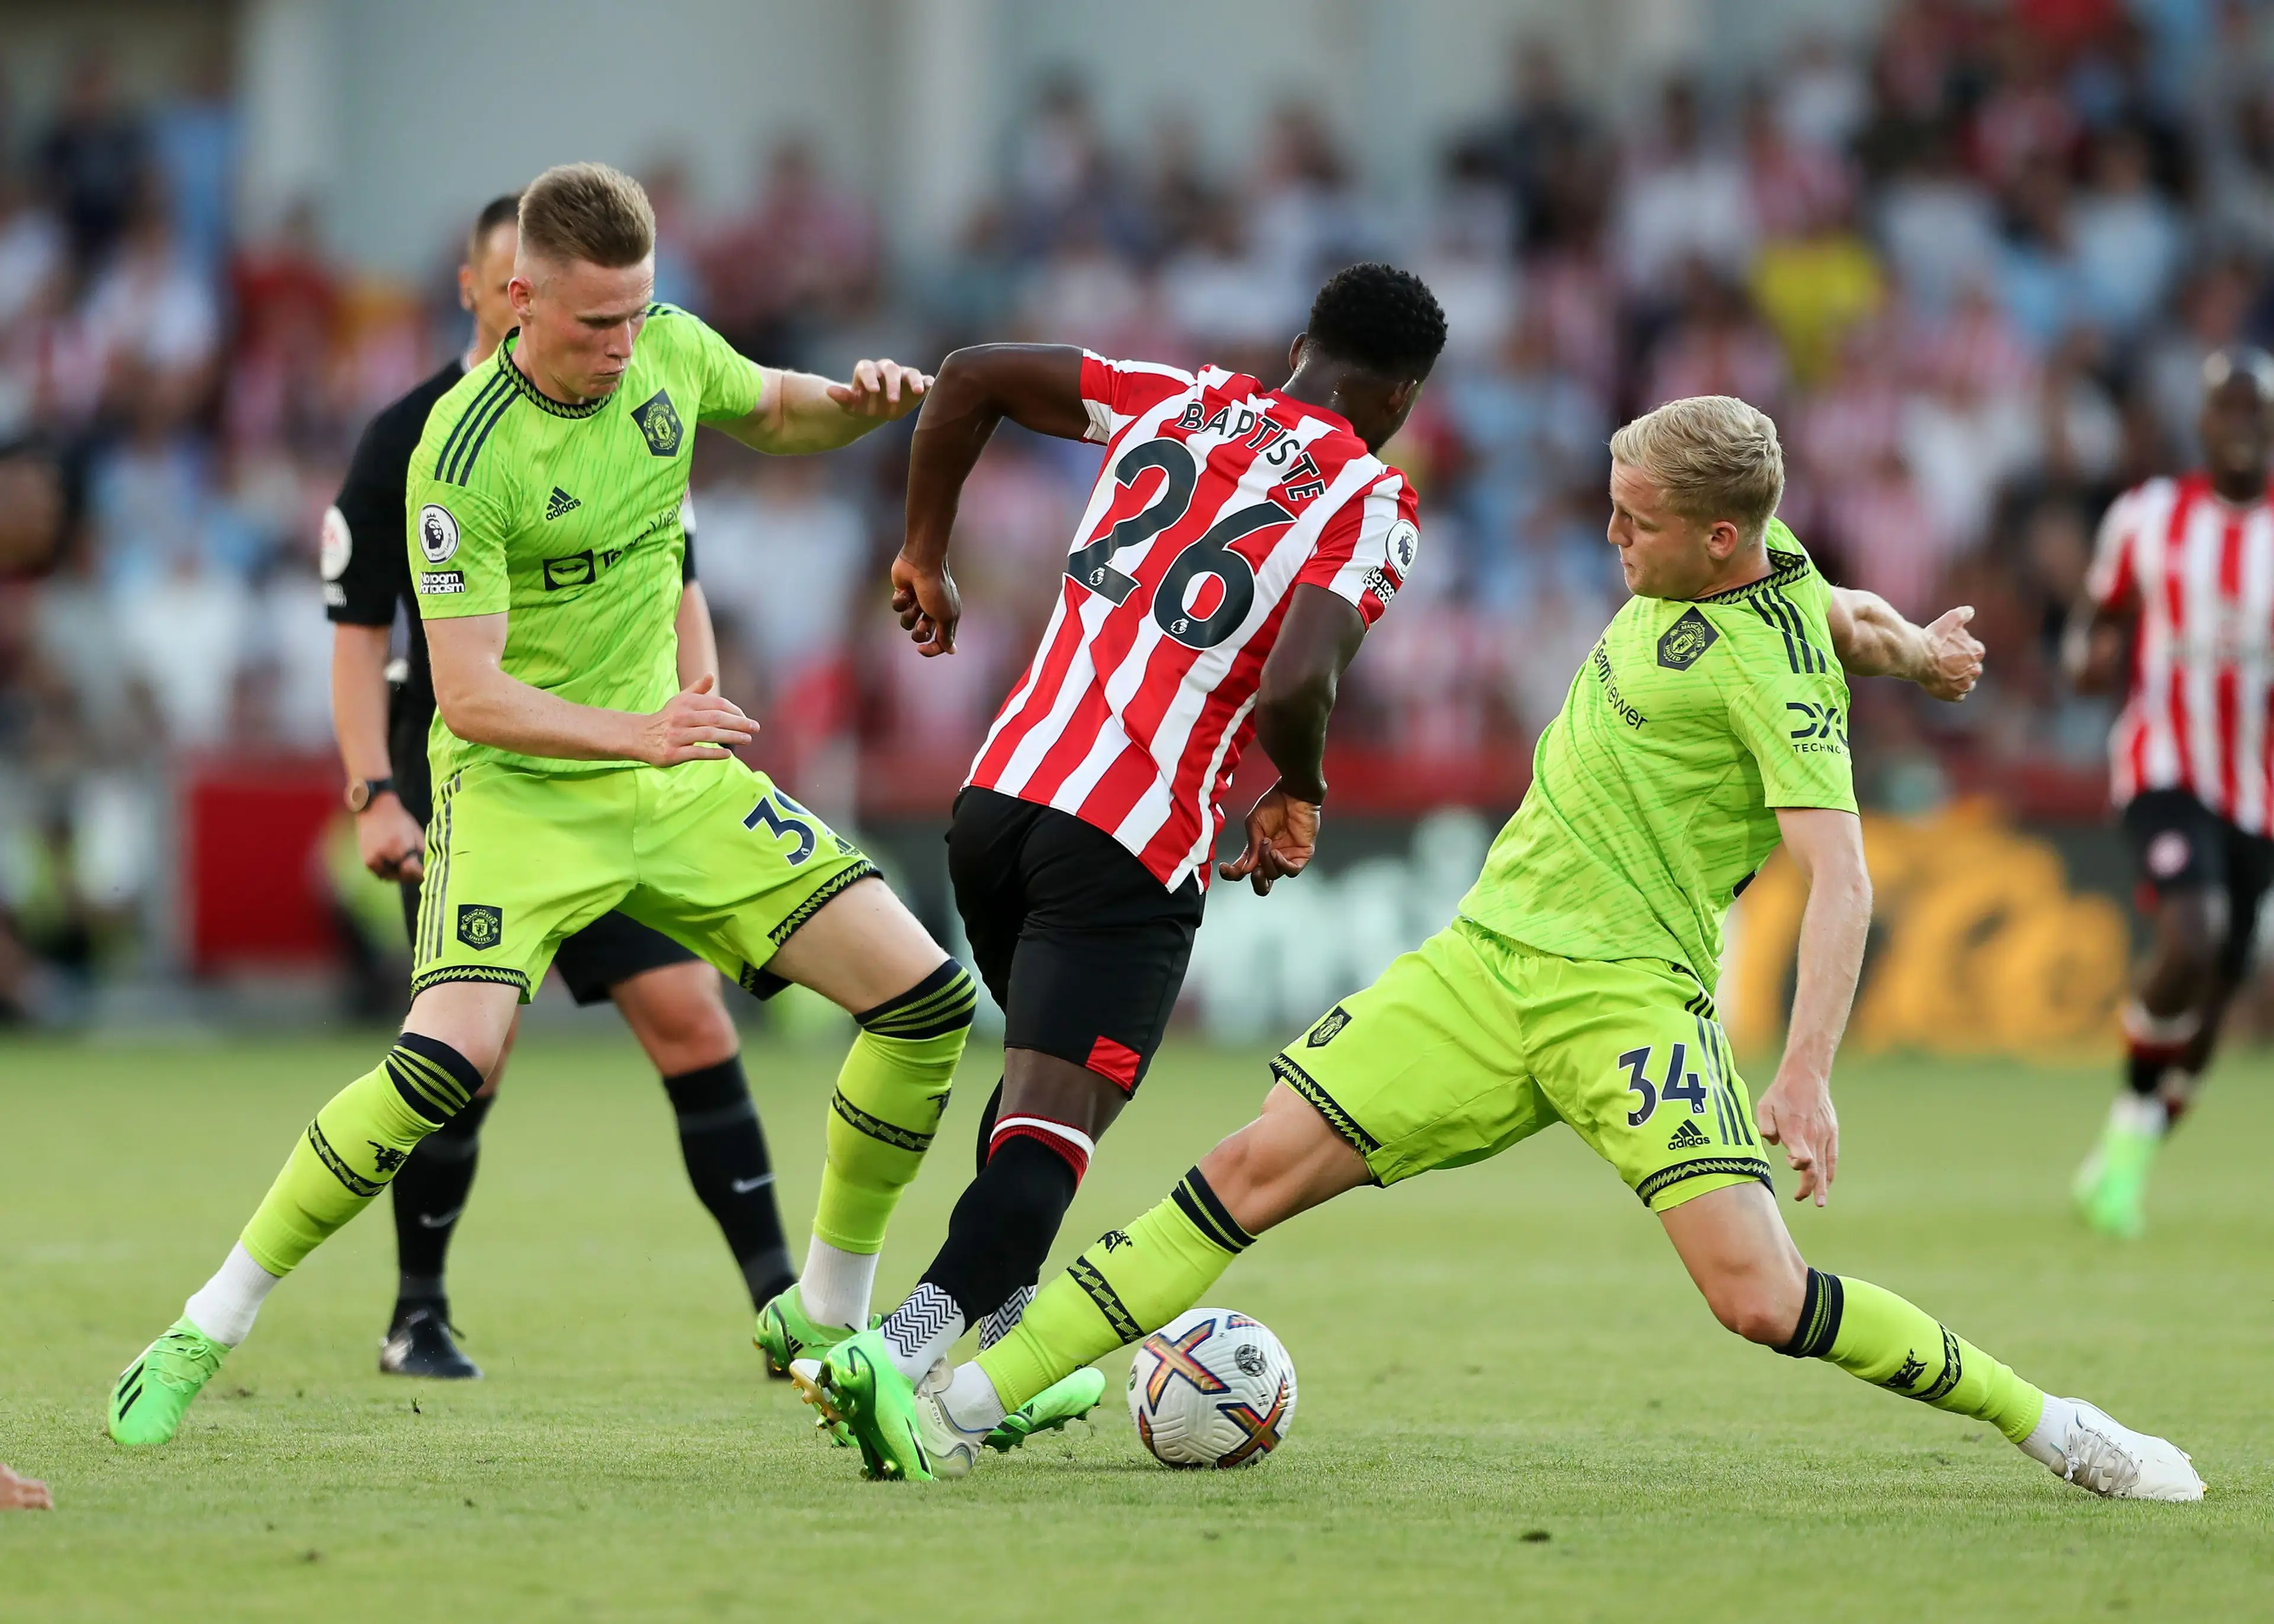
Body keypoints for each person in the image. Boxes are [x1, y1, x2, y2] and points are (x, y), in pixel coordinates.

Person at [807, 394, 2205, 1501]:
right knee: (1244, 1170)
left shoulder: (1767, 673)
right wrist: (1912, 652)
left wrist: (1807, 1075)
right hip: (1480, 969)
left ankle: (2059, 1427)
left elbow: (1840, 880)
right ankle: (954, 1413)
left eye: (1634, 524)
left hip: (1626, 1009)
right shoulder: (1758, 560)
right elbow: (1837, 607)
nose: (1612, 542)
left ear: (1718, 542)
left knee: (1761, 1299)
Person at [107, 163, 971, 1446]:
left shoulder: (669, 349)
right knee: (443, 1065)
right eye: (593, 324)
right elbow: (468, 696)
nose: (623, 347)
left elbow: (781, 412)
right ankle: (205, 1325)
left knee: (925, 999)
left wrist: (863, 405)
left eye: (637, 314)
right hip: (519, 792)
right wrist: (644, 730)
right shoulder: (455, 455)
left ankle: (825, 1320)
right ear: (517, 297)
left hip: (672, 778)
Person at [777, 262, 1446, 1465]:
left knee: (1028, 1101)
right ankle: (901, 1355)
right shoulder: (1369, 498)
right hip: (1129, 842)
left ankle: (1011, 1357)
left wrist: (924, 555)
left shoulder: (1173, 400)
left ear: (1300, 344)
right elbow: (1300, 679)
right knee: (1048, 1143)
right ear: (1400, 396)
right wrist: (1299, 788)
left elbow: (970, 378)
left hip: (995, 804)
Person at [326, 193, 799, 1379]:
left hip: (620, 775)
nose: (510, 298)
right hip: (480, 785)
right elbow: (354, 629)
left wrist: (698, 703)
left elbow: (675, 570)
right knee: (469, 1058)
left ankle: (784, 1305)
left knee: (690, 1013)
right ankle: (417, 1310)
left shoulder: (628, 407)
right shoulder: (415, 440)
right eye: (496, 280)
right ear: (485, 289)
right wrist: (374, 792)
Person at [2066, 348, 2274, 1239]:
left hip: (2258, 789)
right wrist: (2086, 658)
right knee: (2193, 934)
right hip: (2164, 764)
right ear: (2202, 423)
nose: (2238, 425)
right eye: (2224, 409)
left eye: (2253, 411)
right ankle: (2126, 1138)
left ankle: (2131, 1142)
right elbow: (2098, 616)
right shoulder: (2147, 518)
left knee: (2220, 992)